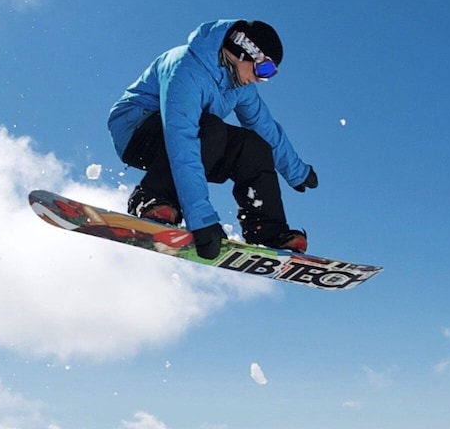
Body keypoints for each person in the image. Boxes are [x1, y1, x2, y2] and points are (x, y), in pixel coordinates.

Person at [107, 19, 319, 259]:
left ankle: (267, 231)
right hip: (138, 131)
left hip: (201, 137)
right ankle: (152, 199)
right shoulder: (185, 67)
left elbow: (265, 126)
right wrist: (201, 219)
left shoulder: (240, 87)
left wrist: (296, 170)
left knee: (253, 146)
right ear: (244, 51)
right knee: (210, 129)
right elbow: (182, 139)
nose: (261, 79)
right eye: (264, 70)